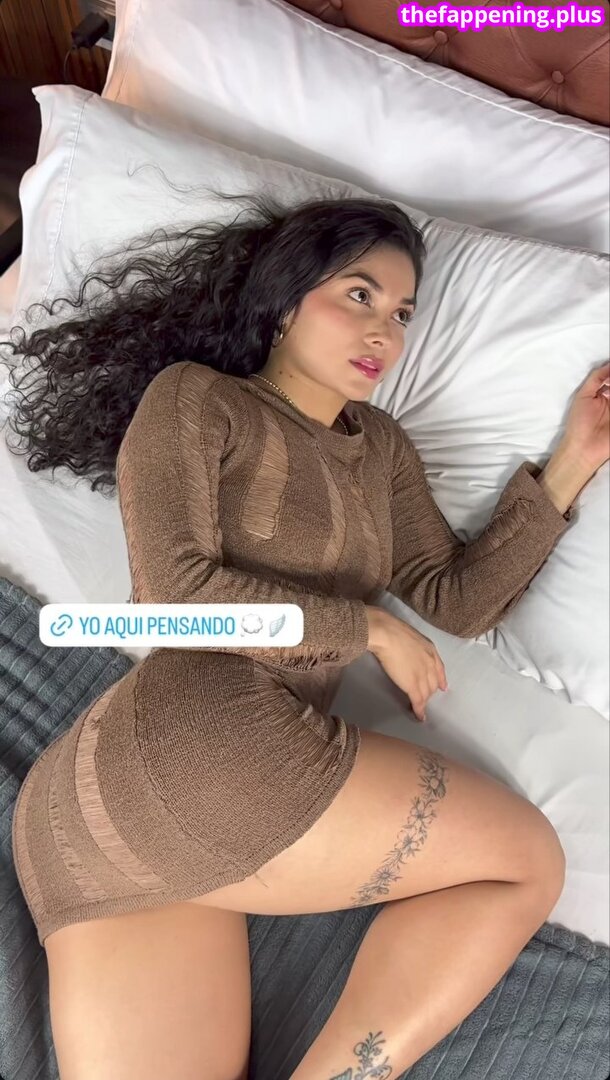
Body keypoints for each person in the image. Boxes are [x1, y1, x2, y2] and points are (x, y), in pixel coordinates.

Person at [4, 193, 609, 1080]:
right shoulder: (198, 398)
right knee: (522, 864)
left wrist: (573, 463)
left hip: (124, 809)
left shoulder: (380, 448)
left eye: (402, 314)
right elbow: (170, 596)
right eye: (359, 295)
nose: (384, 332)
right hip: (180, 751)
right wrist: (364, 627)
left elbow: (456, 598)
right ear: (285, 301)